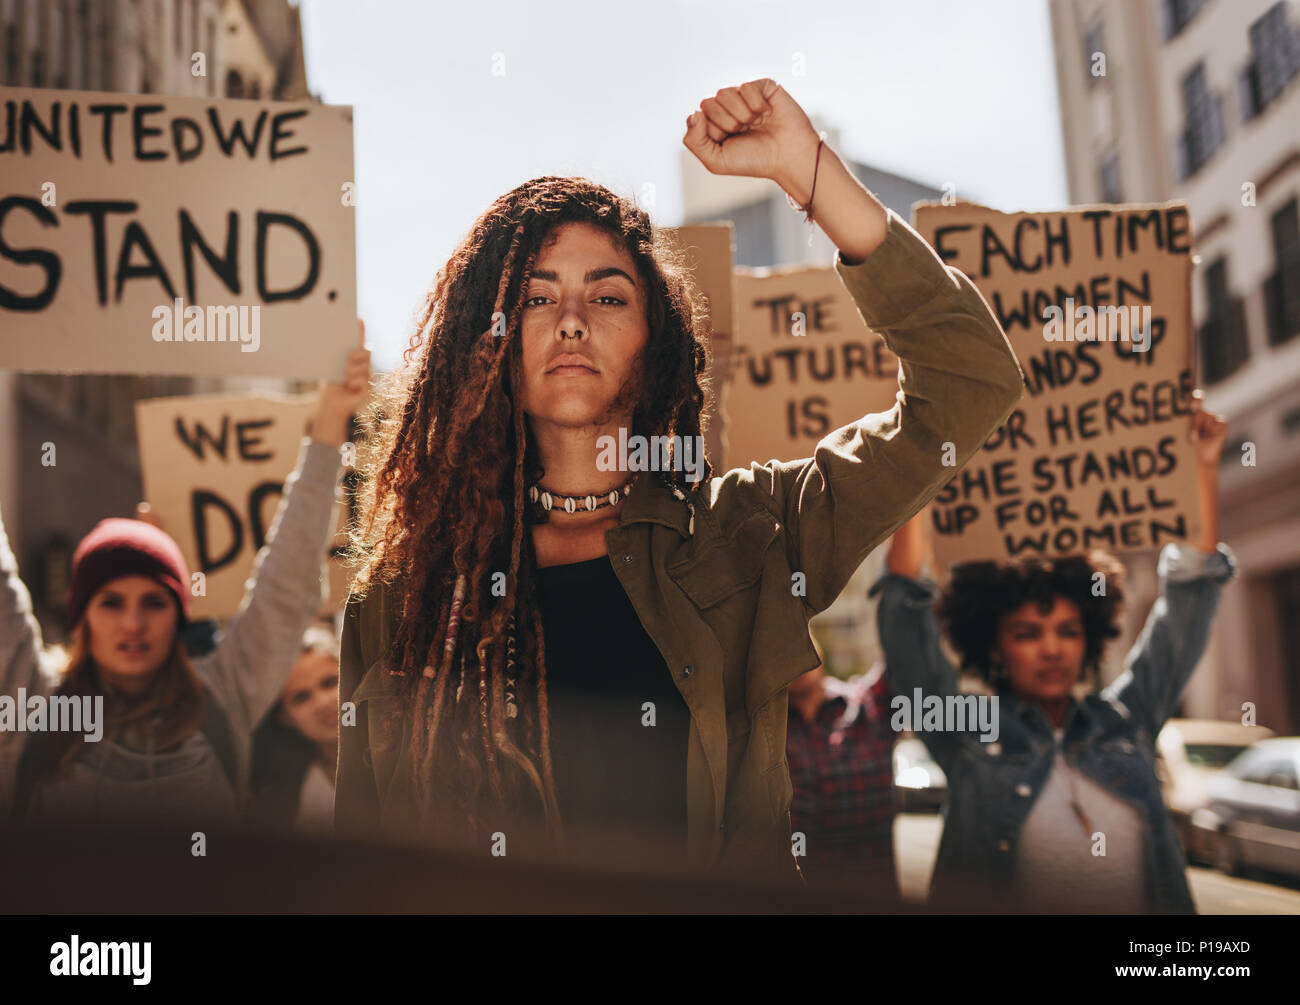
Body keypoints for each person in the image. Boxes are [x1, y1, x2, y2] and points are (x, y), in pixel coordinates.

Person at [337, 77, 1025, 885]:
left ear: (654, 341)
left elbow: (970, 379)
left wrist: (808, 174)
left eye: (607, 294)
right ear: (483, 338)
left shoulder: (749, 534)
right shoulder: (403, 593)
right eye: (533, 296)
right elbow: (363, 865)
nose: (571, 319)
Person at [871, 392, 1235, 913]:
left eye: (1067, 630)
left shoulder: (1127, 723)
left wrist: (1199, 466)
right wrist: (920, 462)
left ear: (1090, 635)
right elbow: (905, 608)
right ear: (994, 644)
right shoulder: (967, 734)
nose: (1051, 649)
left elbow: (1190, 598)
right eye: (1026, 633)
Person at [0, 329, 369, 831]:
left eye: (154, 602)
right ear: (81, 612)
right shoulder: (32, 700)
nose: (133, 622)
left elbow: (286, 584)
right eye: (110, 602)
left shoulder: (222, 692)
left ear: (180, 611)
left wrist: (329, 425)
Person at [786, 636, 899, 902]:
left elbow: (901, 652)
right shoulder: (757, 733)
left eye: (798, 639)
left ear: (820, 651)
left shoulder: (868, 704)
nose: (794, 654)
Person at [248, 625, 340, 834]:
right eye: (301, 697)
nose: (322, 703)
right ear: (285, 717)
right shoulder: (287, 793)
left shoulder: (406, 755)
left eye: (329, 682)